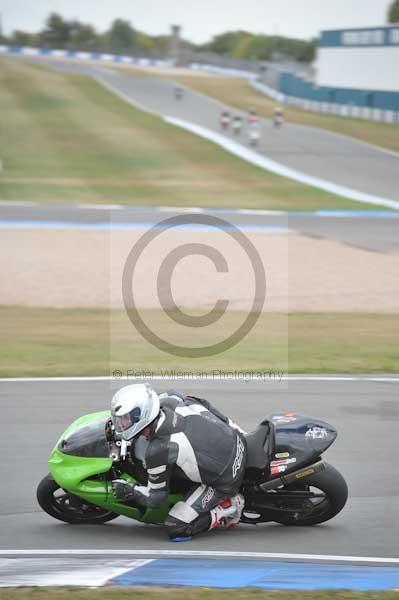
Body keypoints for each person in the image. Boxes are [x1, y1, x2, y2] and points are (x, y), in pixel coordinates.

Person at [110, 383, 246, 541]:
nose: (121, 424)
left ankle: (229, 507)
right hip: (235, 438)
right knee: (192, 401)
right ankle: (236, 430)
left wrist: (130, 491)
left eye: (125, 419)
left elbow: (155, 499)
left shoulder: (159, 450)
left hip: (225, 478)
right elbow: (202, 403)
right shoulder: (170, 400)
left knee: (176, 527)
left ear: (141, 415)